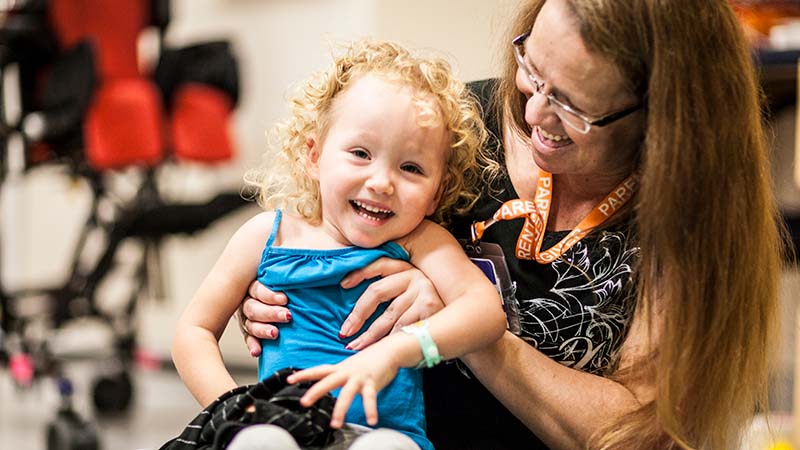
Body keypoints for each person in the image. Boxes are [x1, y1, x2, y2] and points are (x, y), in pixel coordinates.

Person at [239, 1, 787, 449]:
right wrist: (278, 295)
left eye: (571, 107)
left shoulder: (683, 224)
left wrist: (463, 325)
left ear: (662, 119)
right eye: (532, 70)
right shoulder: (452, 131)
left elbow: (638, 435)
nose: (533, 116)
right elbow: (323, 219)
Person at [171, 39, 507, 450]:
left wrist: (399, 351)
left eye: (411, 168)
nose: (382, 182)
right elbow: (194, 330)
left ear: (437, 193)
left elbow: (487, 312)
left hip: (385, 435)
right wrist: (234, 408)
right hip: (284, 421)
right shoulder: (267, 235)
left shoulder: (421, 242)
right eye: (361, 153)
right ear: (314, 156)